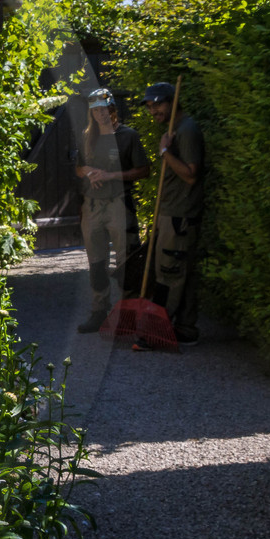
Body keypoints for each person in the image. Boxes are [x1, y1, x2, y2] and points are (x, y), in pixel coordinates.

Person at [74, 88, 150, 333]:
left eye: (105, 109)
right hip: (92, 206)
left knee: (127, 260)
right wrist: (89, 172)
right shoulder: (87, 136)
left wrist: (110, 175)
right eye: (96, 110)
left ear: (113, 109)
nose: (101, 114)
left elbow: (143, 170)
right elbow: (78, 168)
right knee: (96, 262)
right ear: (91, 113)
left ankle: (129, 314)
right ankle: (99, 312)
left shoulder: (128, 136)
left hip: (119, 202)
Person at [142, 81, 205, 346]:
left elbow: (191, 175)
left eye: (157, 104)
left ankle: (157, 332)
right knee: (182, 272)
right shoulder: (175, 129)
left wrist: (165, 152)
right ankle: (185, 329)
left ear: (172, 102)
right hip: (174, 212)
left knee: (168, 273)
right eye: (149, 106)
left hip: (179, 214)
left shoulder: (187, 130)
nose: (153, 111)